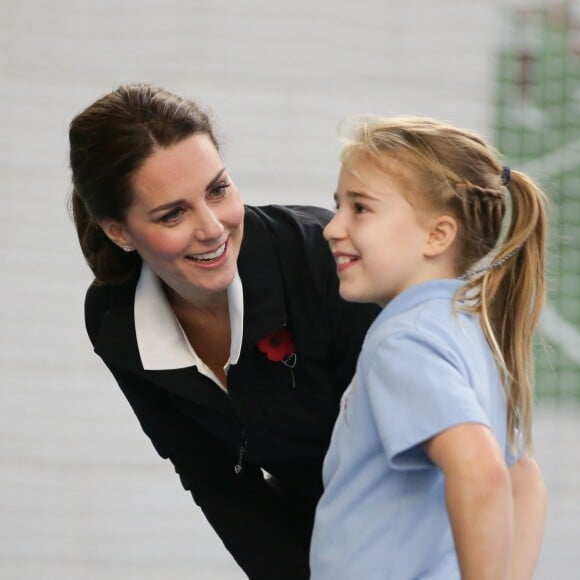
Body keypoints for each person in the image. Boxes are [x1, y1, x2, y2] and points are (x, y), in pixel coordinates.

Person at [68, 83, 379, 580]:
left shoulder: (324, 264)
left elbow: (413, 457)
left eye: (218, 190)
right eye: (173, 213)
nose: (212, 227)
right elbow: (214, 479)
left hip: (423, 524)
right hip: (317, 534)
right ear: (118, 231)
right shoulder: (115, 320)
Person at [310, 116, 548, 579]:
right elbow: (524, 482)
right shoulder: (472, 334)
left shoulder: (405, 340)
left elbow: (481, 471)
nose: (331, 228)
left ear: (437, 235)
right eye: (337, 205)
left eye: (360, 208)